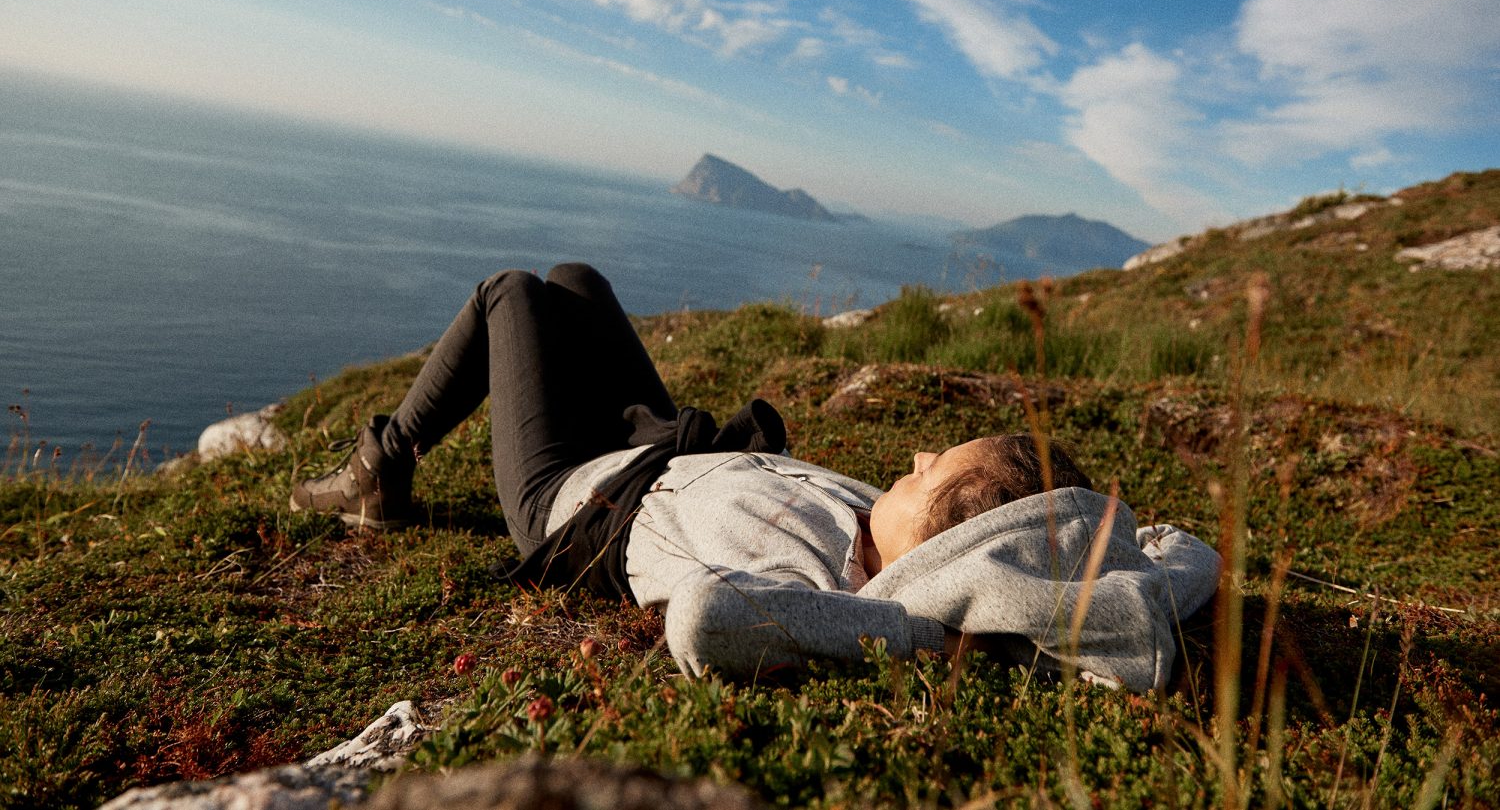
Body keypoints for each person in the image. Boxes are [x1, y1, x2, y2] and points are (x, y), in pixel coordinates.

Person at [291, 264, 1220, 690]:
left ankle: (381, 469)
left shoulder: (845, 600)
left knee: (510, 293)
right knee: (574, 281)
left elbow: (704, 619)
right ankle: (391, 457)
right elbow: (1175, 563)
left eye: (934, 472)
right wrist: (1132, 546)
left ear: (937, 552)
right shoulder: (882, 529)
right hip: (664, 444)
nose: (918, 456)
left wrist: (915, 629)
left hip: (573, 499)